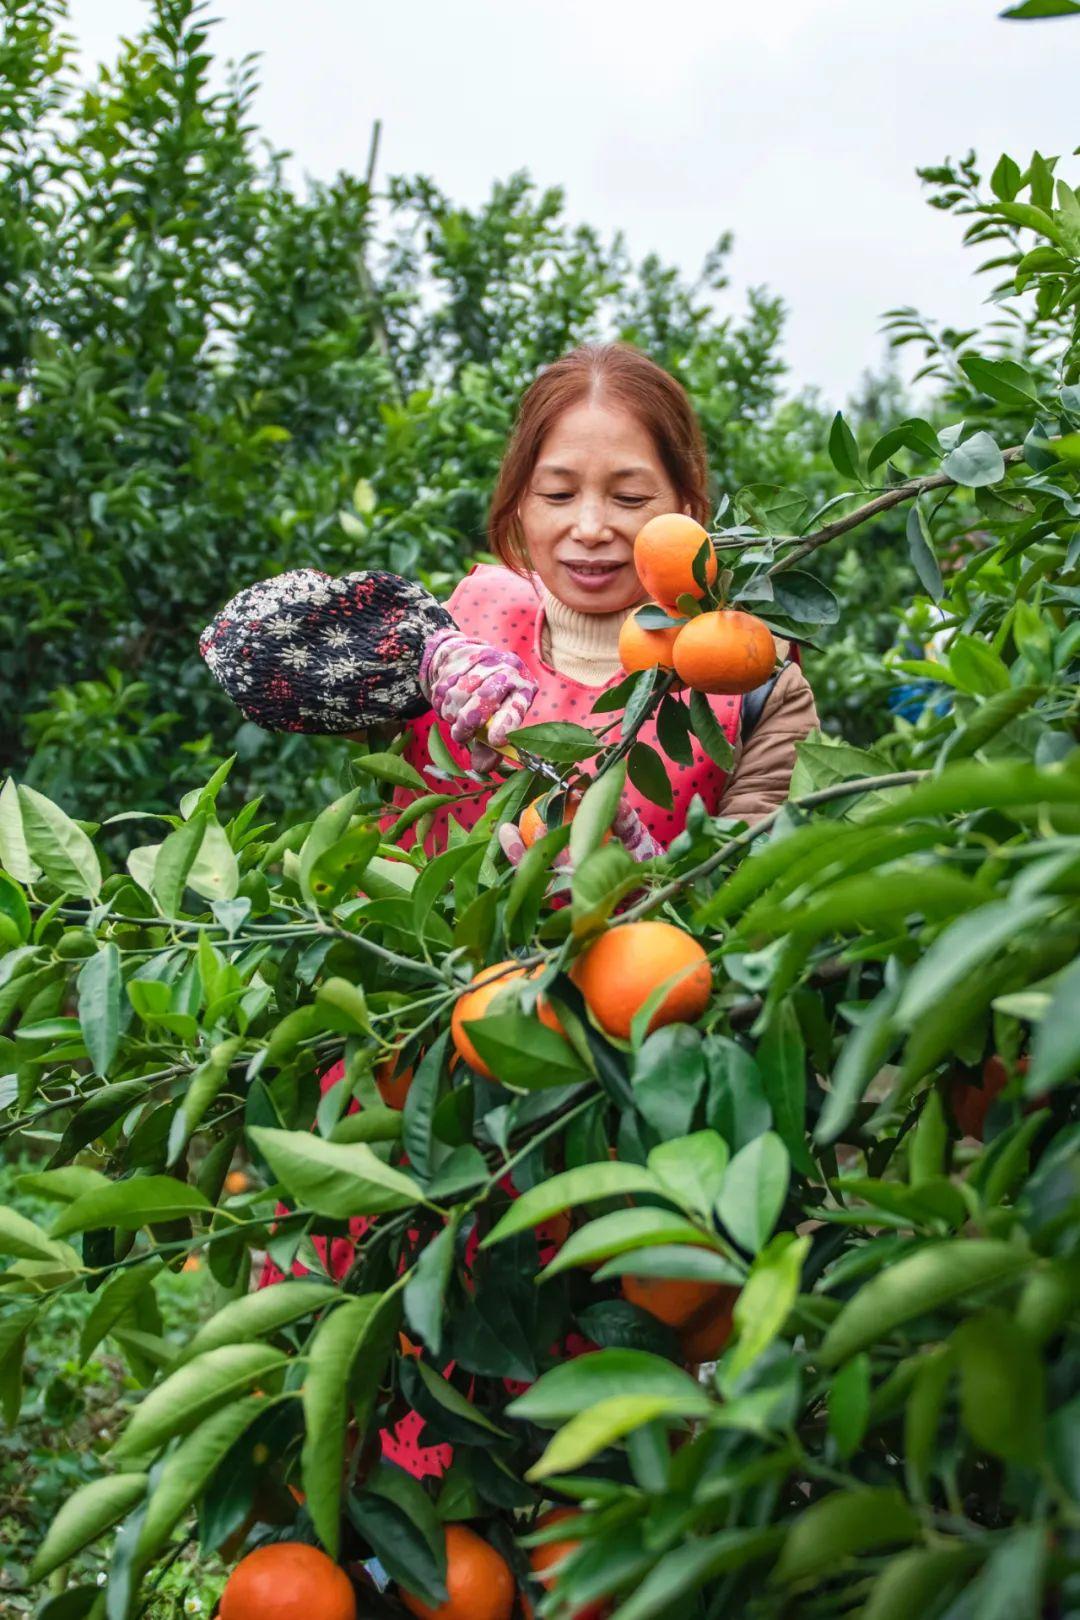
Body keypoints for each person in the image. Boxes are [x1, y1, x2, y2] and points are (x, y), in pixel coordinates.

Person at [399, 341, 818, 856]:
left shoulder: (750, 678)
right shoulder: (453, 626)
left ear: (687, 506)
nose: (591, 528)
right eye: (557, 494)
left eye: (630, 498)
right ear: (520, 503)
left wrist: (645, 884)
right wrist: (407, 653)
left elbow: (757, 887)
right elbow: (275, 661)